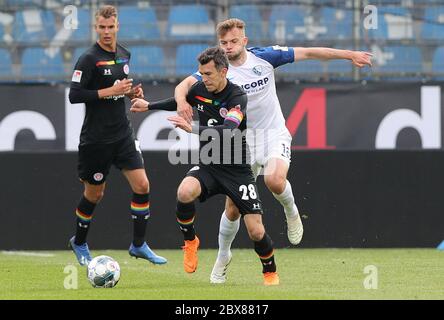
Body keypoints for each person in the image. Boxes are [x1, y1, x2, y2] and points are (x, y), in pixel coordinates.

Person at [174, 18, 373, 283]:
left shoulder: (265, 58)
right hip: (239, 144)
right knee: (233, 210)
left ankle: (291, 212)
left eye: (234, 41)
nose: (229, 47)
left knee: (274, 180)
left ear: (244, 41)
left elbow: (309, 52)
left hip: (272, 134)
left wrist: (349, 55)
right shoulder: (218, 69)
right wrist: (180, 103)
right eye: (223, 43)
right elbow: (183, 86)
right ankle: (223, 256)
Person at [131, 47, 280, 285]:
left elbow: (230, 128)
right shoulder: (199, 89)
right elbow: (178, 101)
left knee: (256, 231)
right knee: (184, 191)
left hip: (237, 169)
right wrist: (148, 106)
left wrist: (194, 129)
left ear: (224, 71)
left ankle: (270, 272)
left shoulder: (236, 96)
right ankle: (190, 242)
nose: (204, 78)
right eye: (201, 73)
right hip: (209, 164)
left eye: (208, 74)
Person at [68, 5, 166, 266]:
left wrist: (130, 93)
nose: (107, 32)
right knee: (94, 194)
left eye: (111, 27)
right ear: (95, 27)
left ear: (117, 26)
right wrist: (109, 91)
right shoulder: (88, 59)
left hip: (122, 134)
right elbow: (74, 95)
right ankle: (79, 242)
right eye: (102, 27)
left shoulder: (124, 54)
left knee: (142, 185)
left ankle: (138, 245)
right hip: (96, 139)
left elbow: (119, 87)